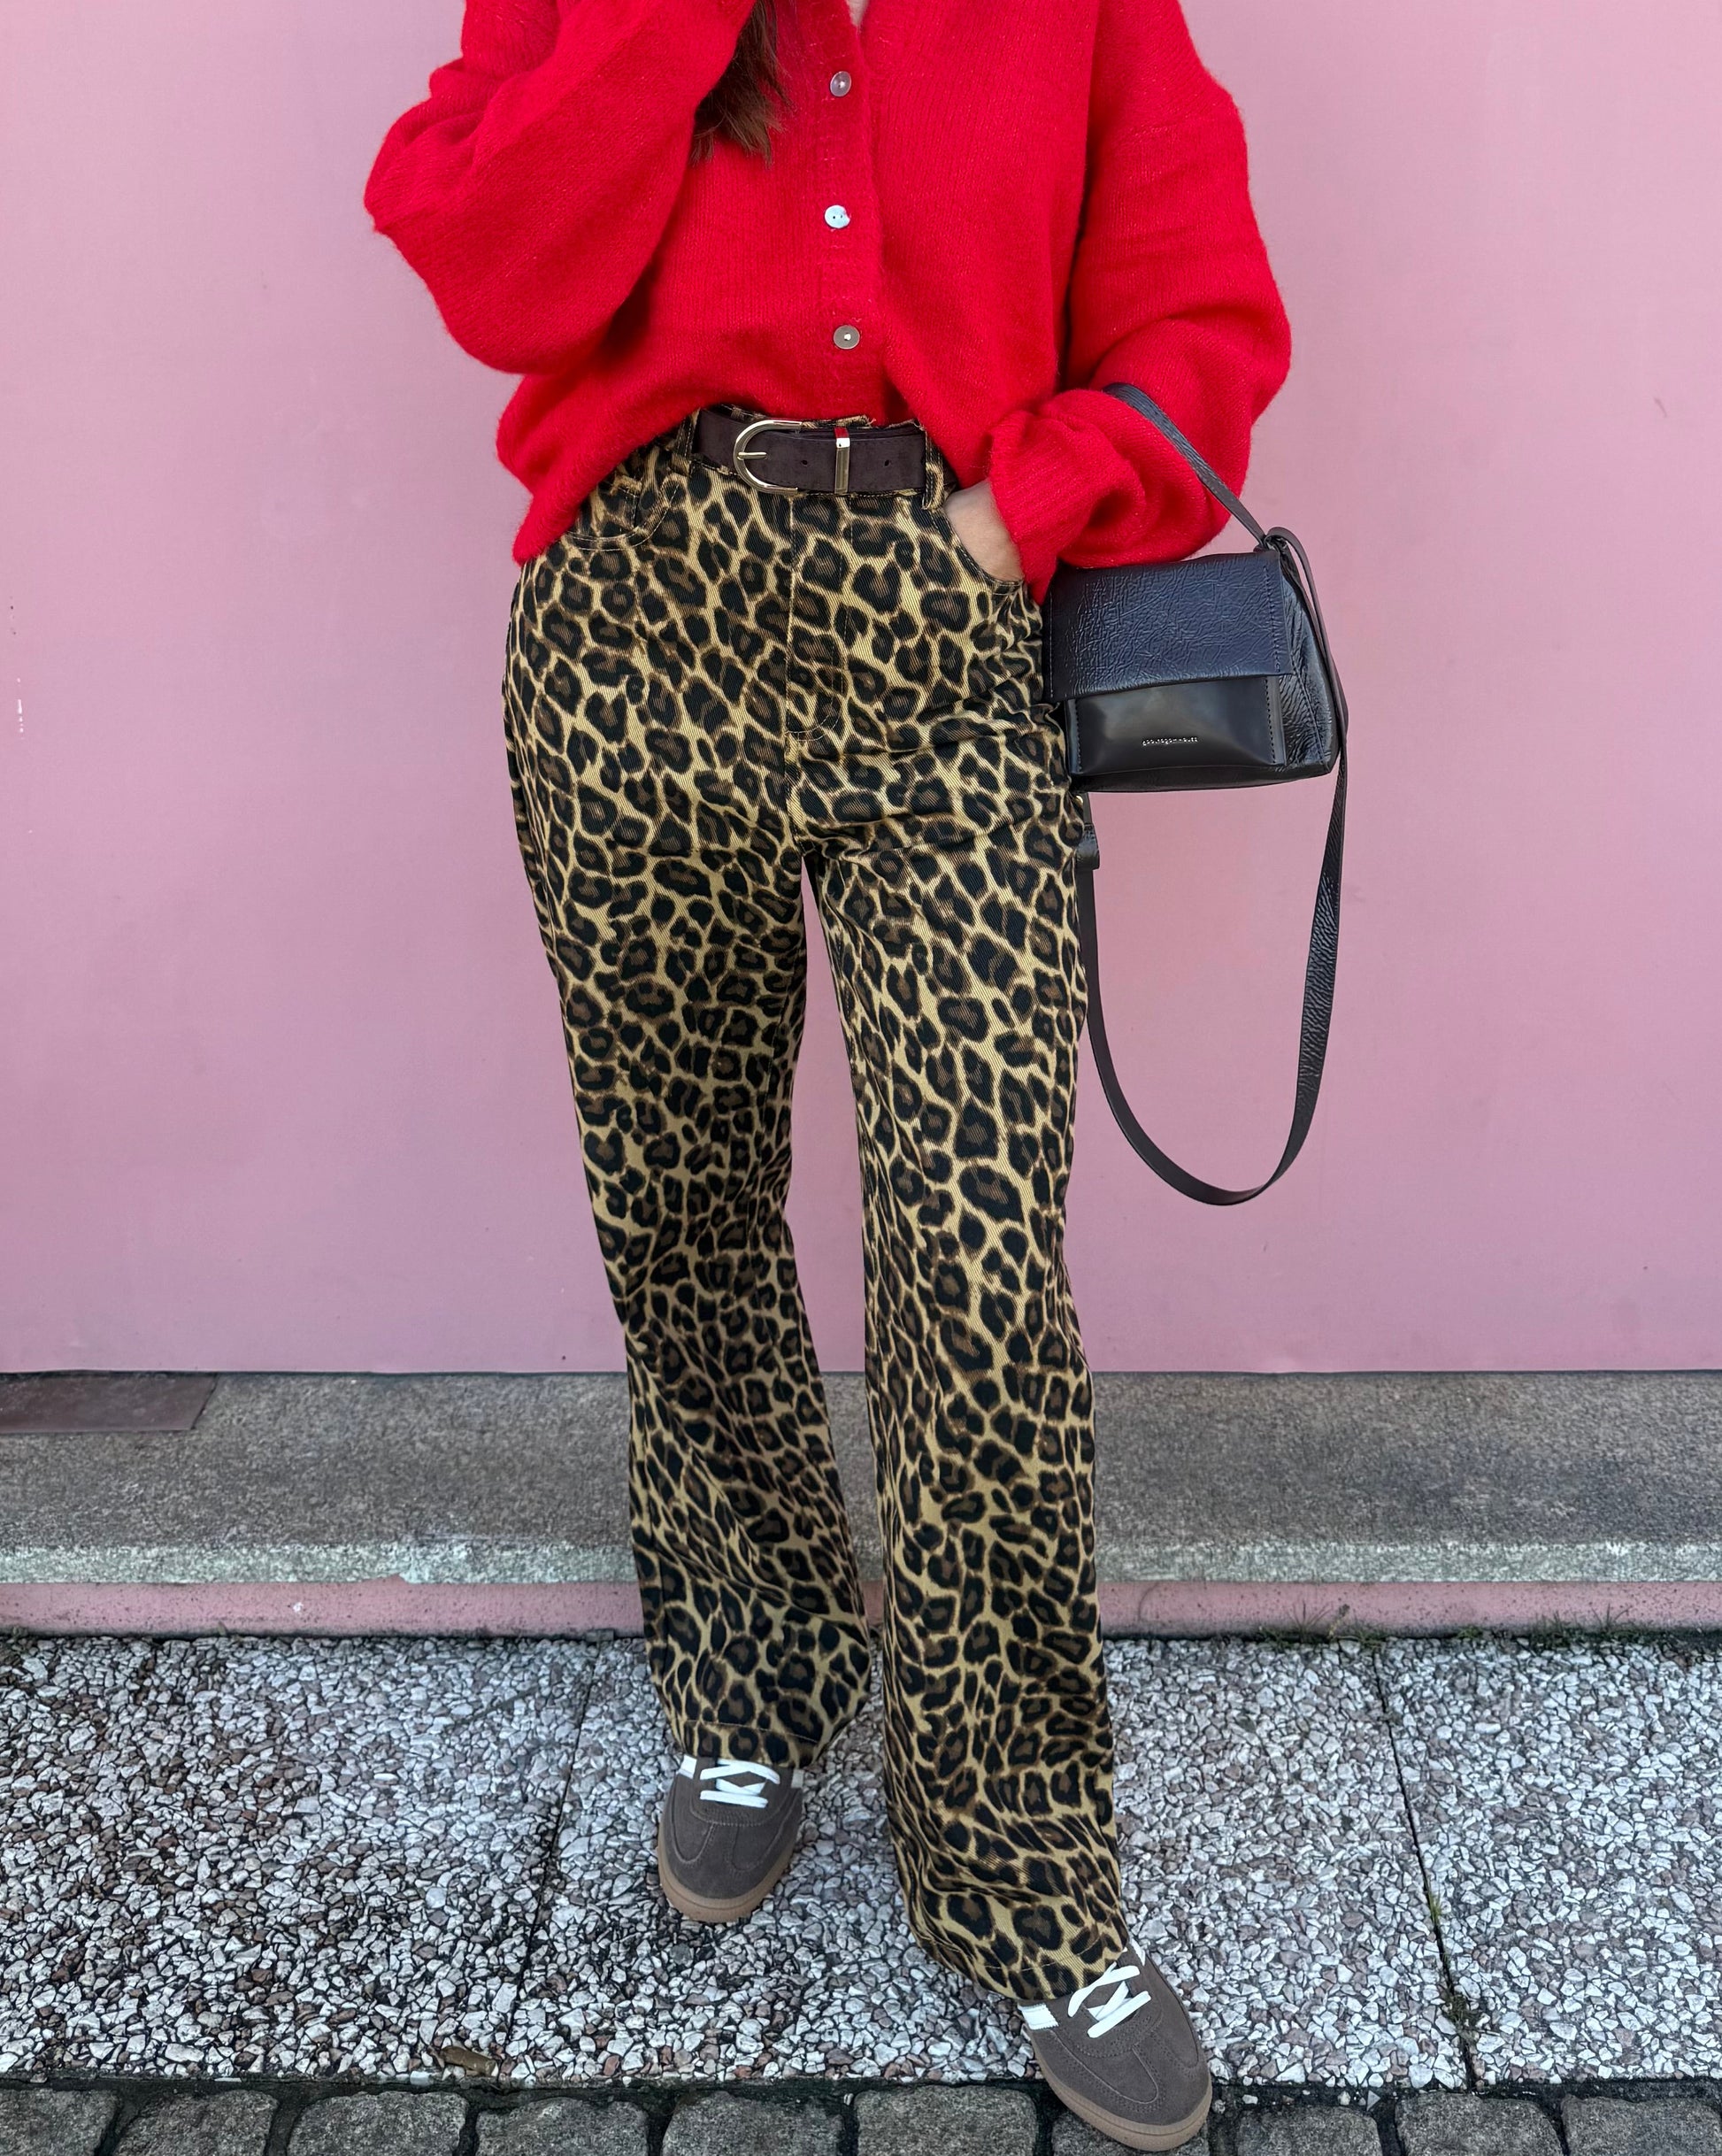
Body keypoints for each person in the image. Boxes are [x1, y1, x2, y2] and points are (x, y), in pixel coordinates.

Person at [366, 0, 1288, 2141]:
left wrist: (1017, 518)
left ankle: (1021, 1860)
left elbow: (1203, 316)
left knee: (978, 1271)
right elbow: (490, 267)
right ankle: (755, 1681)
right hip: (637, 626)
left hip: (944, 646)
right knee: (681, 1205)